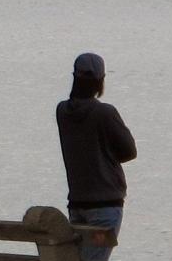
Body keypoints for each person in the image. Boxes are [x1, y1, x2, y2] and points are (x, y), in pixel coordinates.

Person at [56, 53, 136, 261]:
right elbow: (129, 151)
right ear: (100, 80)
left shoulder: (62, 112)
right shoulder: (105, 113)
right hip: (106, 204)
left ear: (74, 77)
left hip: (77, 203)